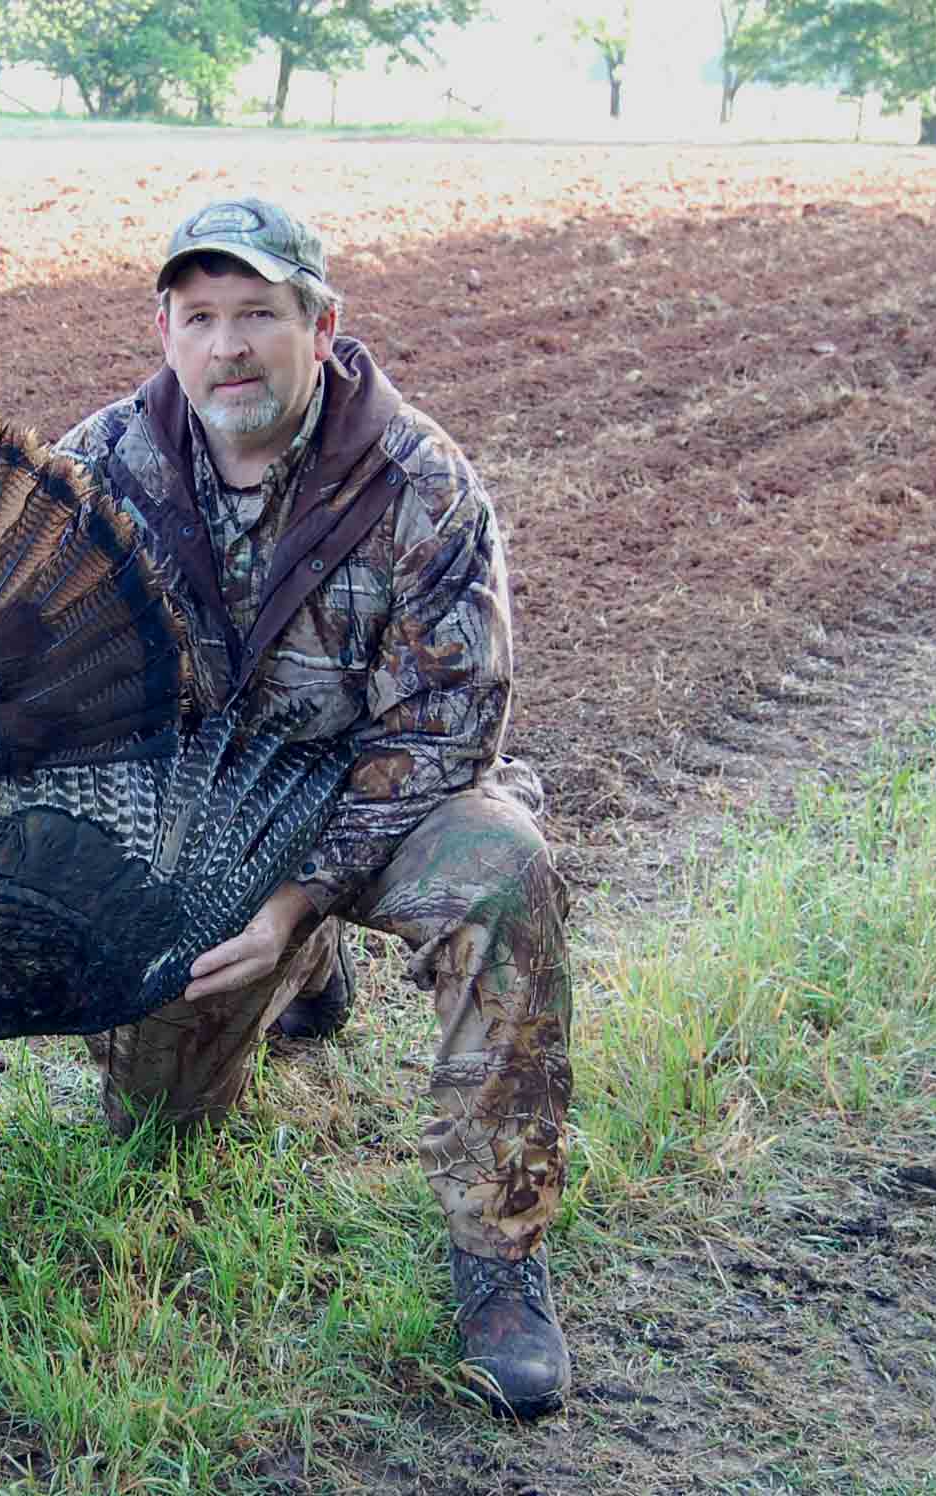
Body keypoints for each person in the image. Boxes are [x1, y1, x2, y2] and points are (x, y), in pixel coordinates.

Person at [59, 196, 574, 1417]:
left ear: (322, 326)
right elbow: (35, 686)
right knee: (157, 1125)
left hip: (382, 807)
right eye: (200, 317)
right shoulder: (94, 470)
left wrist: (297, 894)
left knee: (502, 878)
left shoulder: (421, 483)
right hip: (208, 839)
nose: (228, 346)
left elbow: (446, 727)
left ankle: (500, 1257)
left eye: (257, 314)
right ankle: (305, 972)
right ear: (166, 332)